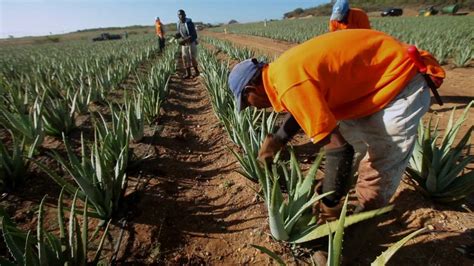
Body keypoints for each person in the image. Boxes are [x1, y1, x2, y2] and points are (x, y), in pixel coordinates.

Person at [228, 29, 445, 219]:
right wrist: (277, 140)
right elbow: (301, 108)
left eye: (248, 103)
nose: (253, 108)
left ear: (251, 90)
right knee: (350, 148)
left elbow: (340, 151)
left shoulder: (289, 83)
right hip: (370, 86)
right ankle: (338, 197)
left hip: (401, 82)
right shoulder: (279, 74)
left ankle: (359, 225)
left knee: (381, 160)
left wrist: (329, 204)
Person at [175, 9, 199, 79]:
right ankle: (188, 73)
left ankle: (196, 72)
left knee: (192, 58)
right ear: (177, 16)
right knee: (184, 57)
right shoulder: (178, 23)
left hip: (191, 42)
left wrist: (184, 40)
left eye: (182, 14)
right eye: (179, 15)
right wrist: (177, 36)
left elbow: (194, 35)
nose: (181, 16)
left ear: (185, 15)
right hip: (184, 44)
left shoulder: (189, 23)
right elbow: (180, 33)